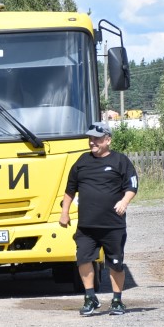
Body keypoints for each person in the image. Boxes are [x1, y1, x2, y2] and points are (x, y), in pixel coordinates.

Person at [59, 122, 138, 316]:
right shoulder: (82, 161)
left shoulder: (120, 161)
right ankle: (90, 298)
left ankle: (117, 301)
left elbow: (132, 185)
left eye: (97, 138)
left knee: (115, 264)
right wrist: (64, 212)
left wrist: (124, 202)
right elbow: (70, 190)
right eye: (90, 138)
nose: (92, 142)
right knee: (83, 259)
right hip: (87, 226)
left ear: (108, 140)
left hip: (112, 225)